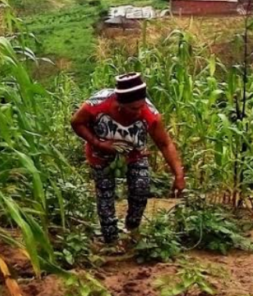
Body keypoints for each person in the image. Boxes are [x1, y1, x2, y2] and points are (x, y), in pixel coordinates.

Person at [70, 73, 185, 246]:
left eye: (141, 106)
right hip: (101, 154)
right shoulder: (97, 104)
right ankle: (110, 239)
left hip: (134, 154)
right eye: (133, 108)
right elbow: (76, 122)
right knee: (105, 194)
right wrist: (98, 143)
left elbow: (165, 144)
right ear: (119, 103)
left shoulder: (150, 115)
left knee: (141, 187)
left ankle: (132, 228)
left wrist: (179, 175)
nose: (138, 112)